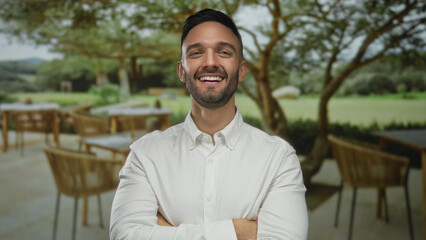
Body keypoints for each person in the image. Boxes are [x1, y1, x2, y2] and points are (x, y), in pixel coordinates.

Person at [110, 8, 309, 240]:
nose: (210, 62)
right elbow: (124, 236)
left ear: (241, 70)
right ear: (181, 71)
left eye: (224, 52)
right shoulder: (145, 154)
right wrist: (239, 232)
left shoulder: (279, 158)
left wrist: (167, 231)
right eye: (196, 53)